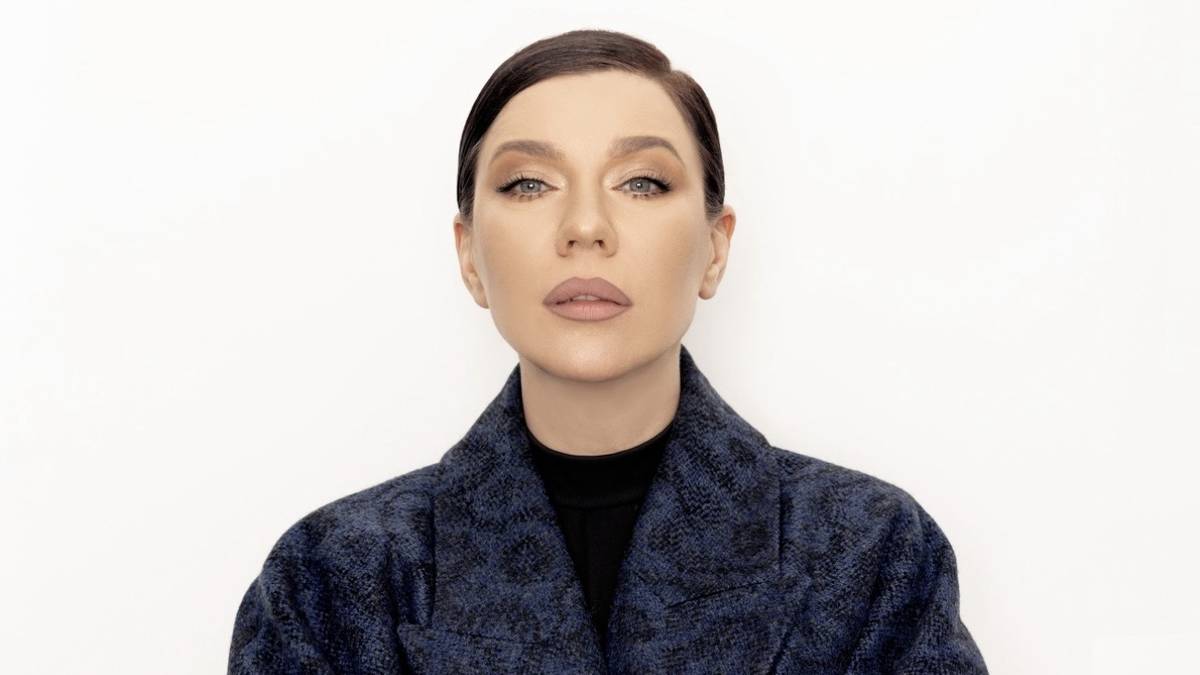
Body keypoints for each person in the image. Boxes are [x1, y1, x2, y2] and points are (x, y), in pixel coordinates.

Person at [228, 29, 989, 674]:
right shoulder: (333, 579)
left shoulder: (869, 555)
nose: (586, 226)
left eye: (643, 182)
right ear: (469, 256)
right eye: (529, 184)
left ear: (716, 248)